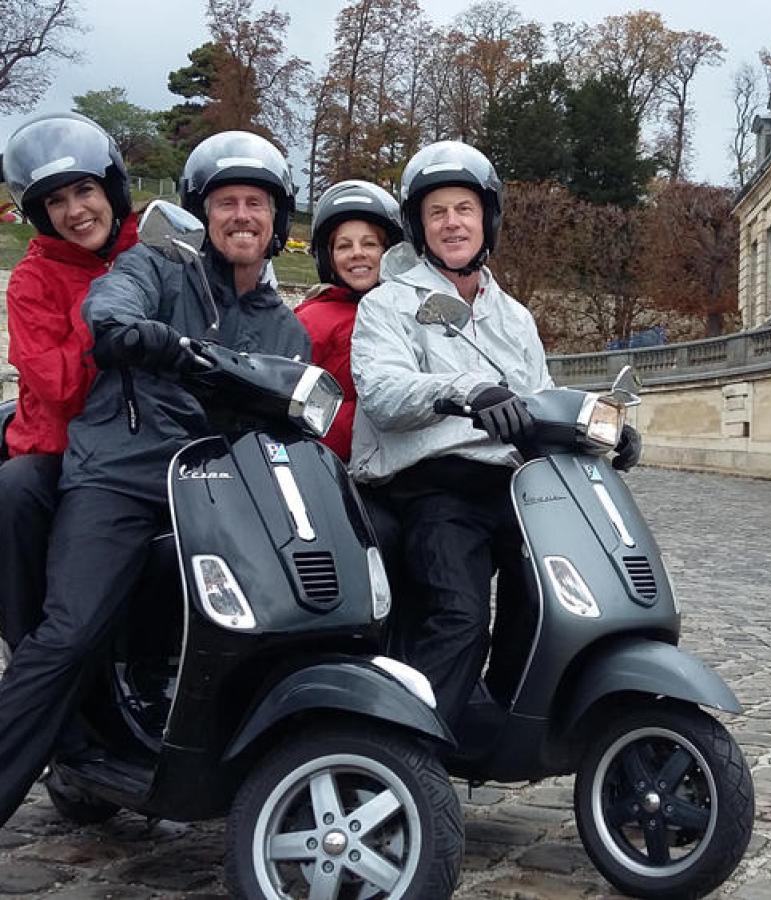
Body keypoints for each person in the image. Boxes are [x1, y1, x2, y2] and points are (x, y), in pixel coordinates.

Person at [0, 130, 311, 824]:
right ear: (202, 213)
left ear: (276, 219)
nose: (240, 216)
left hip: (214, 489)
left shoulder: (285, 329)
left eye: (255, 203)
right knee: (69, 631)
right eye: (225, 202)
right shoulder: (158, 266)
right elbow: (110, 308)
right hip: (122, 471)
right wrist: (126, 330)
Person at [350, 140, 641, 733]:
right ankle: (400, 749)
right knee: (458, 616)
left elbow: (542, 396)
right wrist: (466, 391)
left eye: (464, 208)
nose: (452, 222)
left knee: (559, 596)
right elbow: (382, 391)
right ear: (419, 226)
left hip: (514, 489)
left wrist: (603, 433)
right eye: (437, 212)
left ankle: (507, 720)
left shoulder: (514, 316)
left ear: (488, 219)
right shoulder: (388, 305)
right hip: (430, 487)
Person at [0, 112, 139, 655]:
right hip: (59, 450)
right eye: (56, 201)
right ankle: (27, 644)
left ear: (110, 188)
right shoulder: (32, 280)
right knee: (13, 492)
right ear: (40, 213)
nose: (76, 211)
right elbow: (60, 388)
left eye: (84, 190)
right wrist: (107, 297)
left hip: (143, 445)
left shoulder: (150, 254)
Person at [295, 180, 404, 462]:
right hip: (331, 463)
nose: (357, 252)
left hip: (403, 463)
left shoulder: (407, 312)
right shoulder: (313, 319)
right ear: (327, 257)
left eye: (369, 243)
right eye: (344, 246)